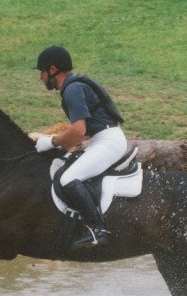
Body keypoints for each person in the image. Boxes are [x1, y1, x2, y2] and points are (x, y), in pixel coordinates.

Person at [33, 46, 127, 248]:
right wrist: (57, 146)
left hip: (108, 141)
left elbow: (78, 130)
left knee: (68, 178)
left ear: (53, 70)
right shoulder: (72, 88)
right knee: (61, 167)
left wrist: (51, 141)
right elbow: (81, 134)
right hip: (99, 139)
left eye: (42, 71)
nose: (40, 77)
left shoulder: (73, 90)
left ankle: (97, 229)